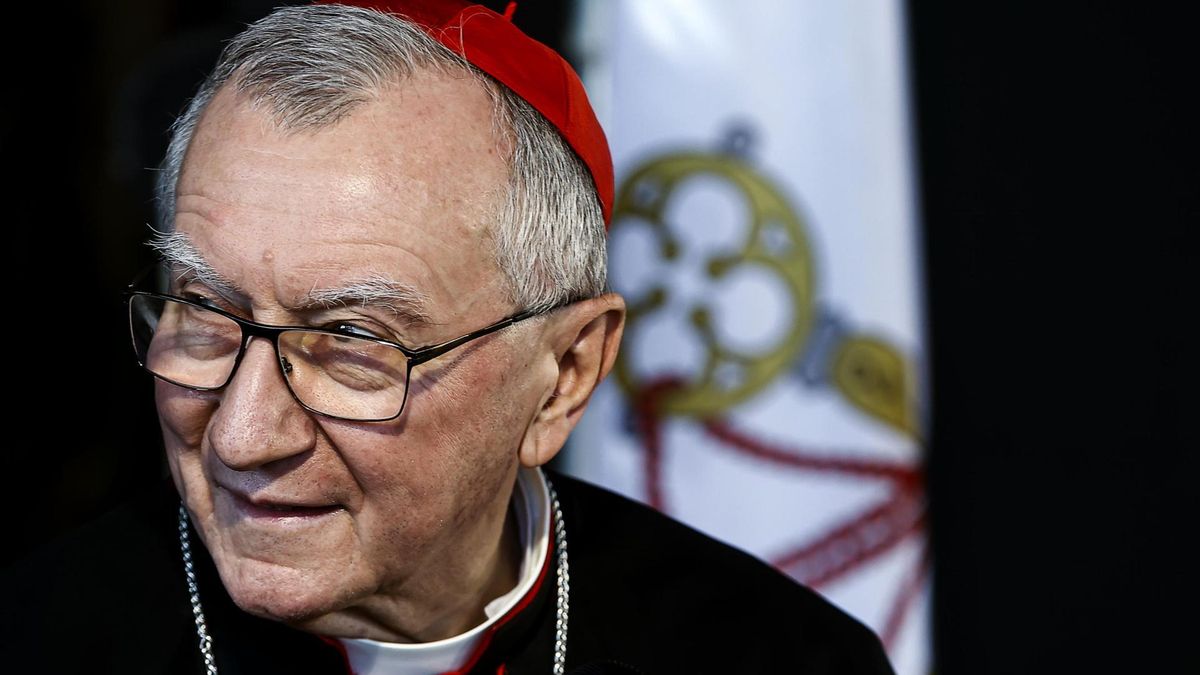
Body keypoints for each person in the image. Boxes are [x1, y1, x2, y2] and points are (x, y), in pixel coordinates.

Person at [2, 2, 895, 673]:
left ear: (564, 374)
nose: (241, 435)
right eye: (205, 311)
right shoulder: (36, 639)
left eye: (351, 338)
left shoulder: (778, 656)